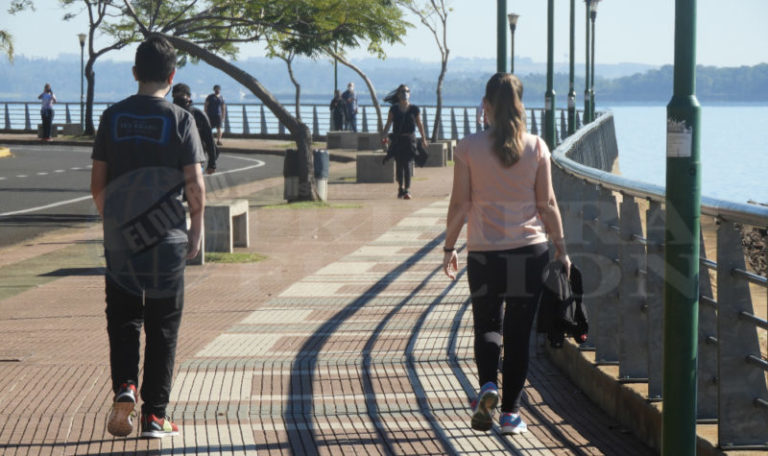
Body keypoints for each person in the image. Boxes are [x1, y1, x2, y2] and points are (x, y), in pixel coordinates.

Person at [90, 35, 206, 439]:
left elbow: (97, 184)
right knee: (163, 325)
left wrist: (116, 223)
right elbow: (195, 184)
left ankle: (125, 385)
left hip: (122, 238)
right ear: (172, 77)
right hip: (168, 237)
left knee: (123, 319)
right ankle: (155, 416)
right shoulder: (181, 119)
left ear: (135, 72)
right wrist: (197, 228)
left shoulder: (113, 117)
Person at [442, 73, 571, 435]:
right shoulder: (537, 147)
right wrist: (561, 248)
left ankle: (487, 388)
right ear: (520, 106)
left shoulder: (467, 148)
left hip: (485, 254)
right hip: (530, 253)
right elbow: (547, 203)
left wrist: (449, 246)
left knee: (487, 324)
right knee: (517, 333)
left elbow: (460, 204)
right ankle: (511, 414)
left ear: (486, 106)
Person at [380, 84, 428, 200]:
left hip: (410, 140)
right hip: (398, 140)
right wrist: (383, 136)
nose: (405, 93)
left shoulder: (414, 109)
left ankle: (407, 189)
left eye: (407, 91)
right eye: (402, 91)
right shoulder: (394, 109)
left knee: (407, 165)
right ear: (398, 94)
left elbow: (419, 124)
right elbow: (388, 123)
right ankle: (400, 187)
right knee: (399, 165)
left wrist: (424, 138)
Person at [172, 83, 218, 174]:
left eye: (181, 96)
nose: (178, 99)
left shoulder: (198, 115)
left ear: (188, 97)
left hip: (194, 161)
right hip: (172, 162)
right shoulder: (169, 113)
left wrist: (212, 163)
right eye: (175, 96)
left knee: (192, 187)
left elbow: (209, 140)